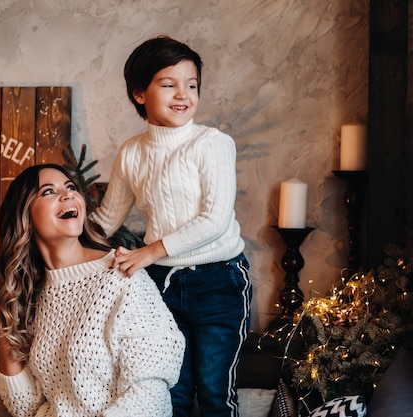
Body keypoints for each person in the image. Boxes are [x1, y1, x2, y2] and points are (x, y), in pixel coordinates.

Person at [90, 36, 252, 417]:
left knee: (215, 393)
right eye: (169, 84)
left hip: (219, 282)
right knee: (169, 393)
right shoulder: (132, 152)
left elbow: (214, 220)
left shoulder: (212, 143)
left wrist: (149, 252)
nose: (183, 94)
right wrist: (56, 239)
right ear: (139, 93)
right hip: (161, 287)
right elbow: (106, 220)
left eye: (191, 84)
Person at [0, 163, 185, 417]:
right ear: (25, 216)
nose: (68, 194)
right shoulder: (29, 296)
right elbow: (27, 409)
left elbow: (150, 394)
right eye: (48, 191)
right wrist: (5, 333)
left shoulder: (121, 276)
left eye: (71, 187)